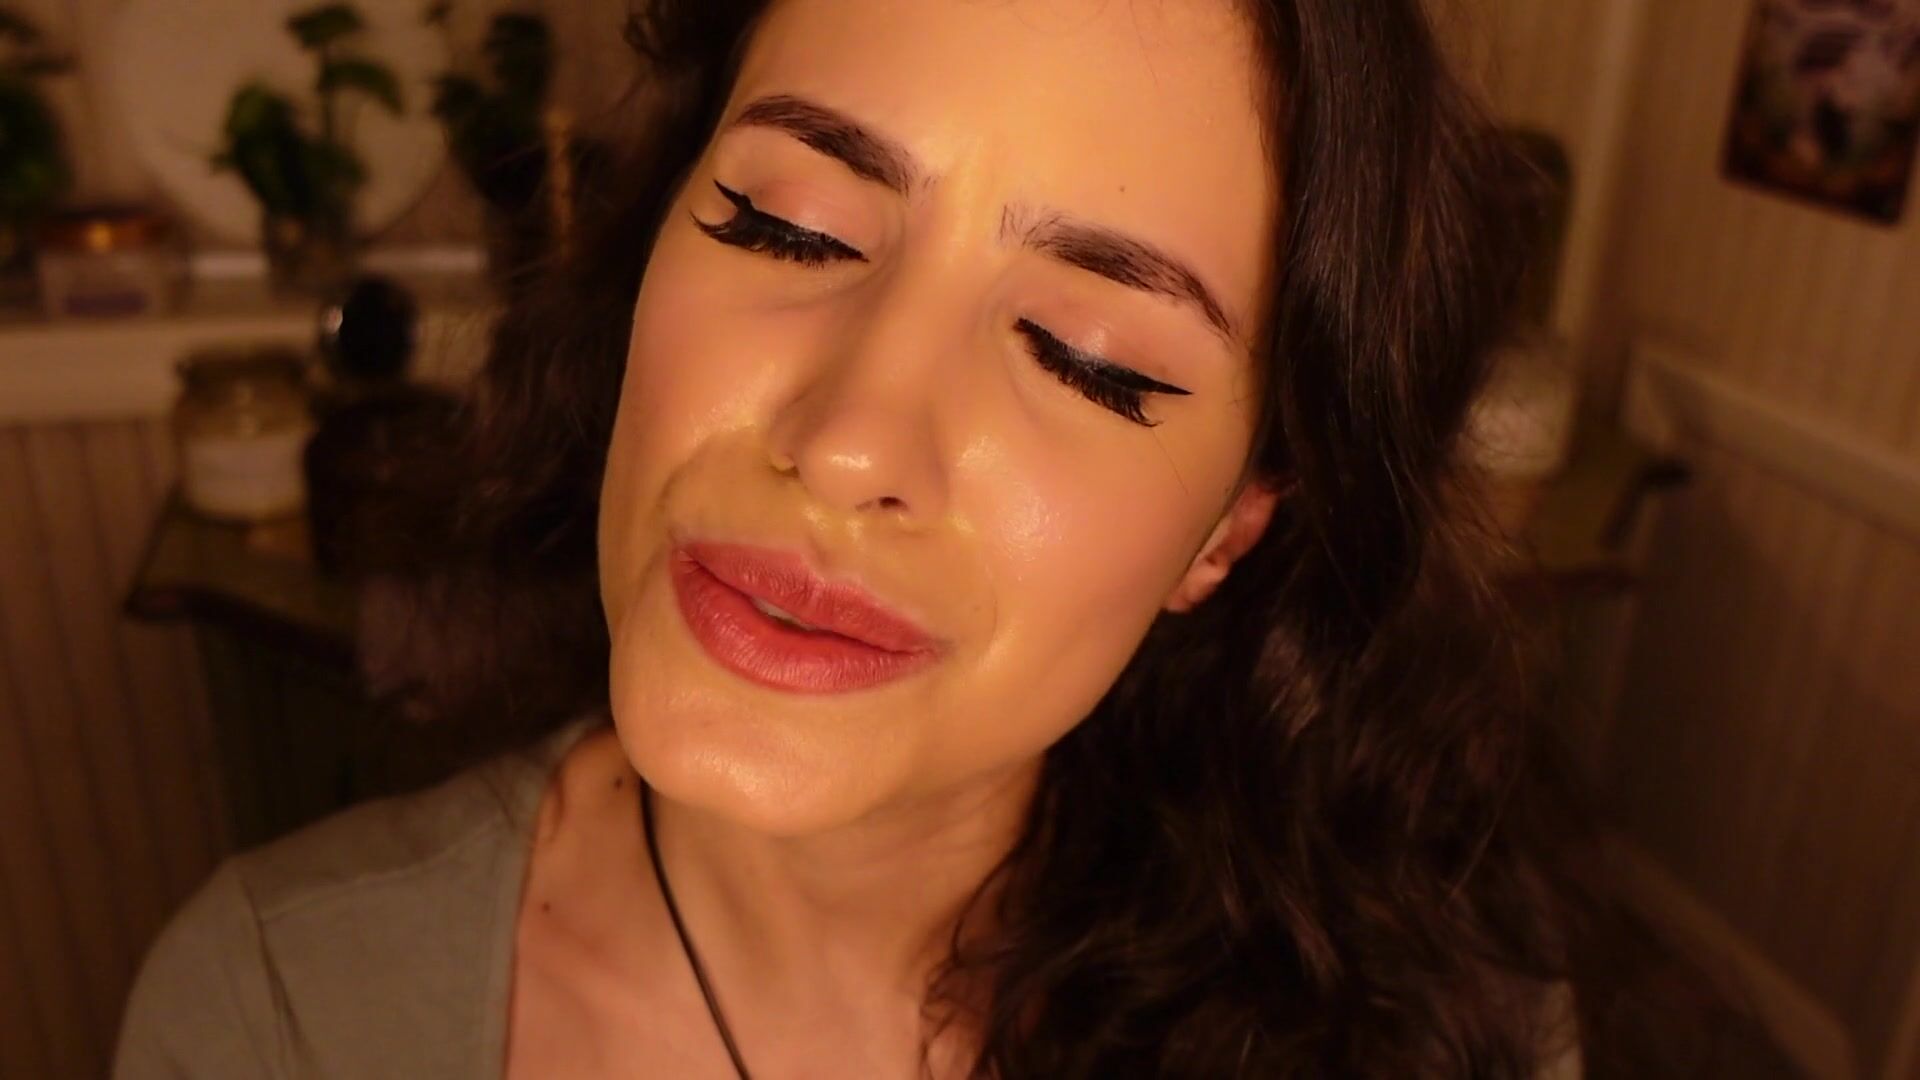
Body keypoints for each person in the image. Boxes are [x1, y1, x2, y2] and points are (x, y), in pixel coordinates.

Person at [116, 0, 1592, 1075]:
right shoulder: (280, 1014)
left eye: (1087, 360)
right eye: (788, 226)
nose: (848, 442)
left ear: (1230, 528)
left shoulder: (1440, 1030)